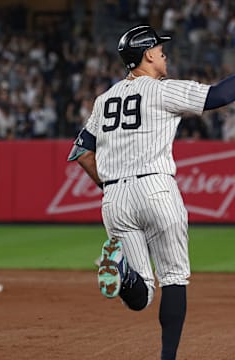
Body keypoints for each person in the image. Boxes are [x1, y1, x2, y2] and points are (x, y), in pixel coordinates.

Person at [67, 24, 235, 360]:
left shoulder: (104, 100)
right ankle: (167, 358)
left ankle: (123, 271)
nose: (164, 53)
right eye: (159, 48)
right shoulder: (161, 90)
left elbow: (82, 154)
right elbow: (218, 96)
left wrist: (110, 186)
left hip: (114, 199)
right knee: (174, 277)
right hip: (156, 188)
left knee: (141, 294)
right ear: (147, 54)